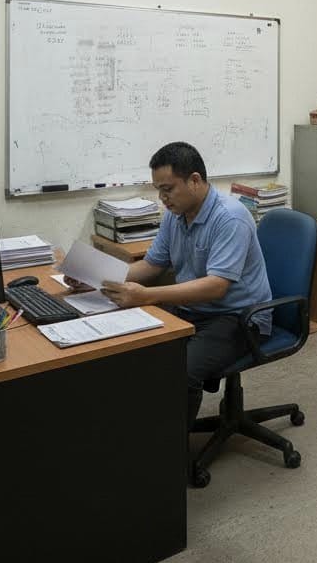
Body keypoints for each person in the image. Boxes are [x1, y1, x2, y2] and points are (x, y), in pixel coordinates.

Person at [95, 141, 273, 429]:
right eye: (158, 191)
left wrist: (145, 297)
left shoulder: (229, 217)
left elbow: (216, 287)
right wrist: (97, 278)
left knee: (181, 371)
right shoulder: (174, 216)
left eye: (168, 189)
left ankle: (175, 462)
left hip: (239, 317)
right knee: (137, 348)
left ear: (194, 180)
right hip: (194, 310)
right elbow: (151, 265)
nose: (163, 198)